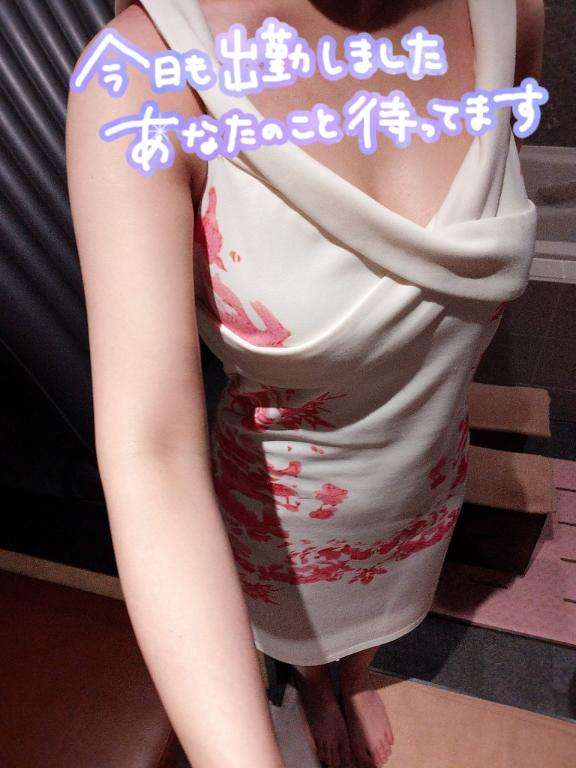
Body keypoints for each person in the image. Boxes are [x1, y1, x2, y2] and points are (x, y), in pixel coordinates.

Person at [65, 1, 545, 767]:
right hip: (286, 499)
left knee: (390, 609)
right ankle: (317, 686)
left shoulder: (512, 13)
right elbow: (150, 451)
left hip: (429, 467)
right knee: (300, 635)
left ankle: (351, 679)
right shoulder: (144, 78)